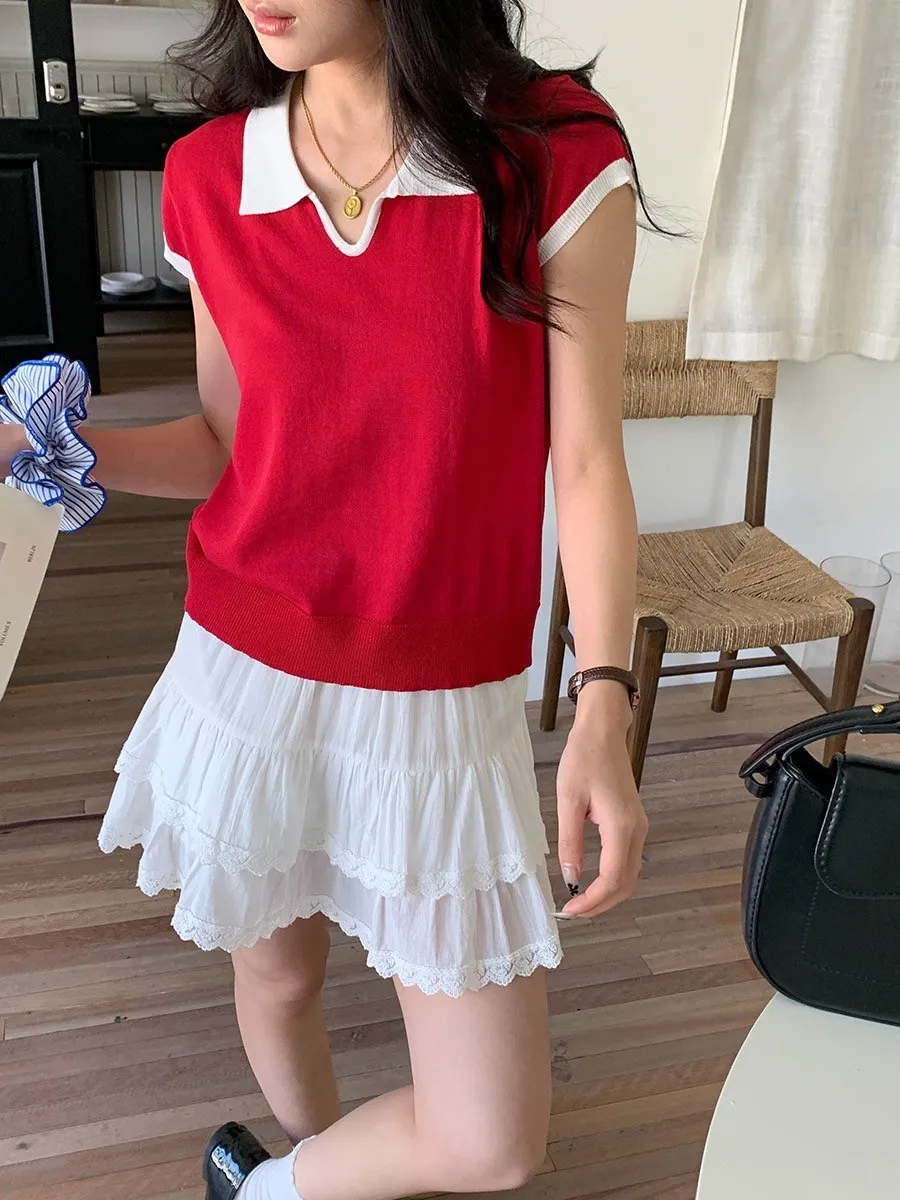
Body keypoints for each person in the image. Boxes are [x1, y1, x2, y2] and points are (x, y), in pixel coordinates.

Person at [0, 1, 651, 1196]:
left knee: (492, 1141)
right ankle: (311, 1173)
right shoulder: (212, 174)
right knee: (277, 975)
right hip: (245, 664)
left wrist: (603, 697)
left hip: (437, 698)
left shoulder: (550, 153)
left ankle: (270, 1190)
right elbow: (226, 443)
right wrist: (52, 446)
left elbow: (589, 462)